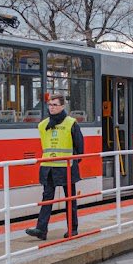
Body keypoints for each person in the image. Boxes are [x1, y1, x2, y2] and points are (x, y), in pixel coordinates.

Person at [26, 95, 84, 240]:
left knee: (70, 199)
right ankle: (41, 229)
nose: (51, 107)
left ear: (62, 106)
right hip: (48, 168)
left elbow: (80, 148)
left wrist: (73, 162)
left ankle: (72, 229)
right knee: (47, 198)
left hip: (67, 168)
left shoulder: (71, 123)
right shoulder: (42, 125)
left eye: (55, 104)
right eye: (50, 104)